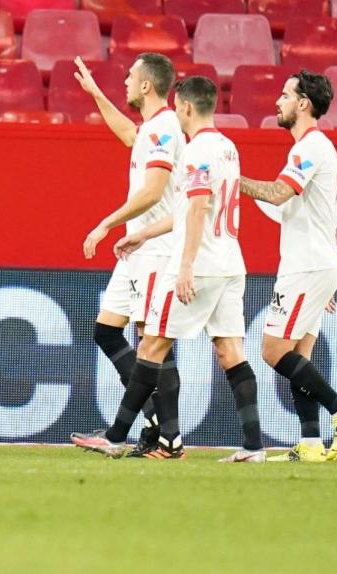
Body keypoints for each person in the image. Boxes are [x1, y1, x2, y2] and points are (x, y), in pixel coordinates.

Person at [71, 77, 265, 461]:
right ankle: (253, 446)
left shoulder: (194, 153)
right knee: (230, 351)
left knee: (153, 344)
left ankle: (116, 435)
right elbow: (190, 210)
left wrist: (186, 266)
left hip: (202, 264)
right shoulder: (228, 148)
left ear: (187, 108)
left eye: (179, 107)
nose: (176, 112)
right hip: (231, 263)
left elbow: (195, 210)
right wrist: (142, 233)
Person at [237, 70, 337, 463]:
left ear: (303, 104)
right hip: (317, 263)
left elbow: (278, 194)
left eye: (284, 95)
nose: (277, 102)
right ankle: (311, 442)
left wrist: (230, 178)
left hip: (306, 265)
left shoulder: (309, 148)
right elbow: (296, 208)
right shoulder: (314, 149)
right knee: (299, 354)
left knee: (273, 350)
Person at [72, 53, 182, 450]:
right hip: (139, 249)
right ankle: (154, 416)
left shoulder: (167, 128)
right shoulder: (151, 129)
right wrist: (95, 93)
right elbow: (128, 136)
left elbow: (153, 190)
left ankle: (168, 435)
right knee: (107, 330)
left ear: (147, 86)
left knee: (151, 340)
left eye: (130, 77)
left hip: (157, 248)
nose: (125, 82)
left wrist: (106, 223)